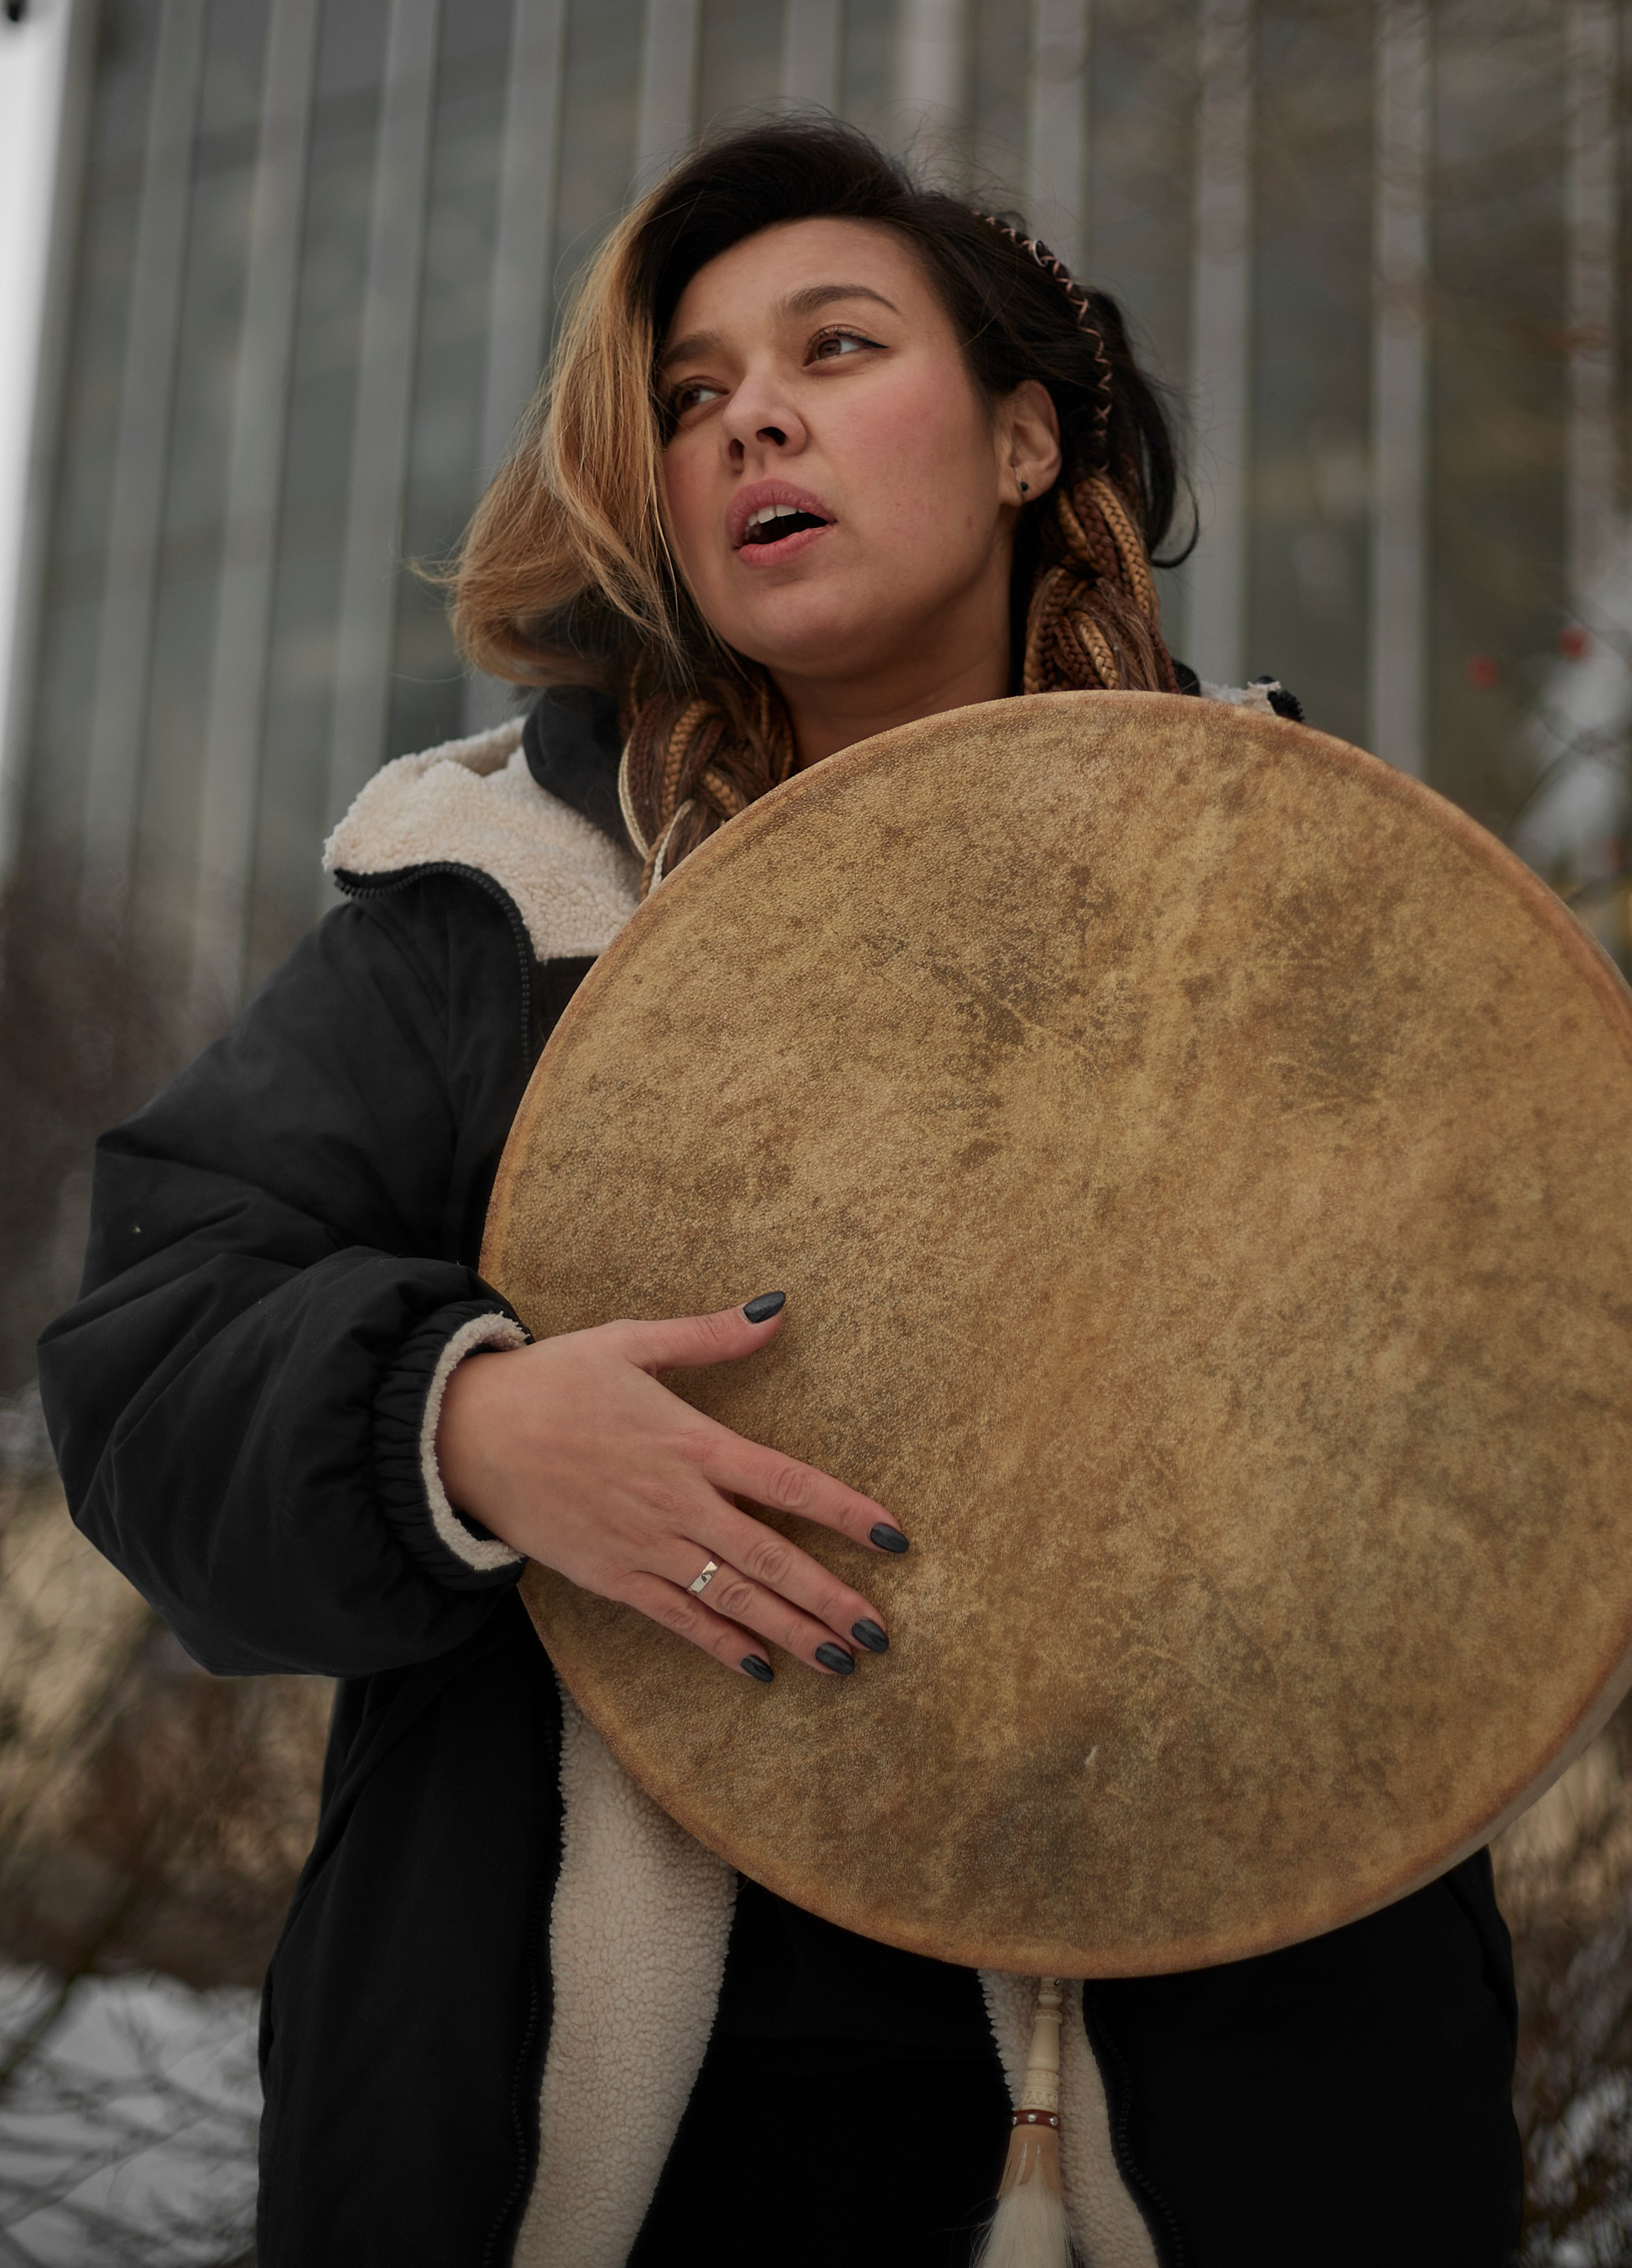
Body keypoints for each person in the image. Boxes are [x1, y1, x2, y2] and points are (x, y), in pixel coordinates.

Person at [40, 120, 1522, 2267]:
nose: (753, 417)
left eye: (835, 347)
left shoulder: (1306, 901)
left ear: (1026, 439)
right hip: (599, 2148)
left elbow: (1510, 1429)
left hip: (1220, 2101)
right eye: (692, 393)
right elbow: (145, 1351)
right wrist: (452, 1426)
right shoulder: (484, 907)